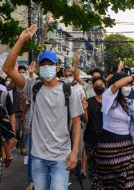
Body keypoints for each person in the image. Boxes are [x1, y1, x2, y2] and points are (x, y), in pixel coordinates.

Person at [3, 25, 83, 190]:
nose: (47, 68)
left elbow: (76, 124)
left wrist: (75, 152)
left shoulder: (70, 92)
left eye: (50, 64)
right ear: (39, 68)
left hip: (61, 157)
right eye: (43, 65)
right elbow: (8, 69)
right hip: (38, 157)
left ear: (57, 68)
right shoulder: (34, 88)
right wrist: (21, 39)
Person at [95, 70, 134, 189]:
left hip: (127, 147)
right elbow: (115, 85)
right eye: (126, 84)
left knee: (128, 183)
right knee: (110, 185)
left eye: (130, 85)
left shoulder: (131, 102)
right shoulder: (107, 97)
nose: (128, 87)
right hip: (108, 149)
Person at [81, 76, 106, 189]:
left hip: (106, 140)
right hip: (91, 139)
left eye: (101, 85)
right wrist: (85, 109)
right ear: (93, 87)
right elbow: (85, 120)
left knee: (105, 166)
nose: (99, 87)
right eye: (97, 85)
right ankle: (95, 186)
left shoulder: (109, 102)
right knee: (93, 166)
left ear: (105, 86)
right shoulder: (89, 101)